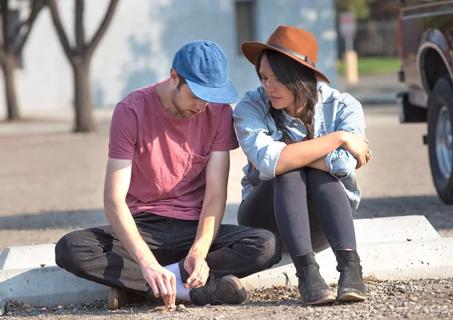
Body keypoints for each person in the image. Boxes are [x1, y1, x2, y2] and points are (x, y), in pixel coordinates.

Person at [55, 40, 280, 310]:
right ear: (174, 77)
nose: (202, 106)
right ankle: (192, 291)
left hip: (192, 230)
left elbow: (215, 194)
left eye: (210, 98)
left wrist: (198, 251)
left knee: (265, 244)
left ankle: (144, 288)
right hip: (143, 228)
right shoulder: (131, 110)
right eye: (196, 96)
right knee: (71, 248)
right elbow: (114, 199)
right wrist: (147, 263)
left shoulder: (218, 113)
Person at [233, 25, 371, 305]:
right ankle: (307, 274)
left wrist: (297, 155)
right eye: (263, 77)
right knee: (288, 170)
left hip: (320, 225)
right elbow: (269, 162)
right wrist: (339, 137)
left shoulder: (343, 106)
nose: (268, 87)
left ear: (300, 77)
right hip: (264, 222)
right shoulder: (251, 106)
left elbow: (344, 164)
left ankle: (351, 270)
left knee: (315, 172)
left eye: (277, 79)